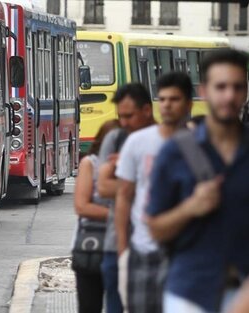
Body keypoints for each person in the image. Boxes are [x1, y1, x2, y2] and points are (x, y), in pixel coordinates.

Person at [147, 49, 249, 313]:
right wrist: (191, 207)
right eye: (221, 87)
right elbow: (155, 228)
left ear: (246, 91)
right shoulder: (176, 152)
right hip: (189, 293)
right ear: (204, 91)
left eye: (237, 87)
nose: (229, 96)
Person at [114, 72, 193, 313]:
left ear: (188, 103)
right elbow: (124, 196)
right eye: (163, 99)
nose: (167, 105)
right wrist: (123, 251)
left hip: (185, 252)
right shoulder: (137, 142)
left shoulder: (199, 144)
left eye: (175, 99)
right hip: (143, 250)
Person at [97, 83, 155, 313]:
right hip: (115, 244)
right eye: (120, 116)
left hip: (155, 247)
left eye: (129, 116)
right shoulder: (115, 139)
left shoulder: (165, 140)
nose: (124, 123)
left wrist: (126, 174)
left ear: (147, 111)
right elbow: (103, 187)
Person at [73, 119, 120, 313]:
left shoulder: (135, 165)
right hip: (93, 246)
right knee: (90, 306)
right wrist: (121, 215)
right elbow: (82, 207)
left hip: (125, 250)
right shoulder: (90, 164)